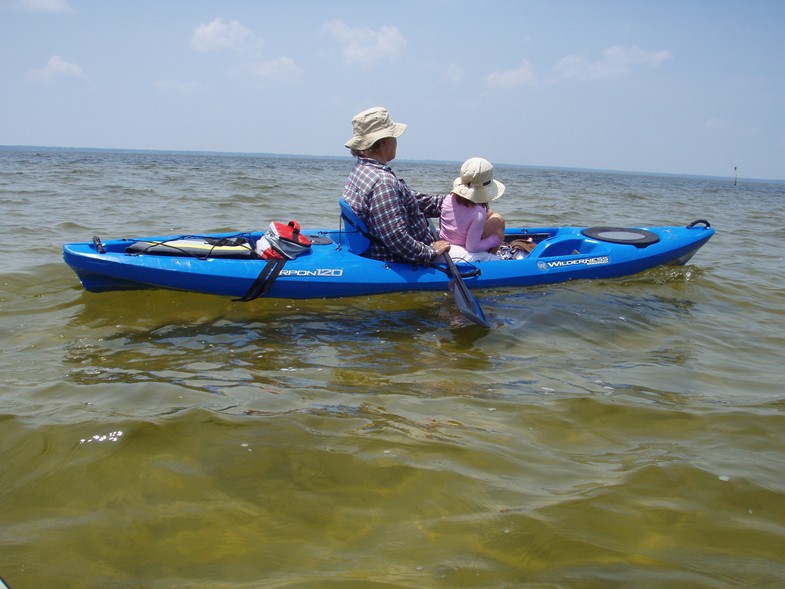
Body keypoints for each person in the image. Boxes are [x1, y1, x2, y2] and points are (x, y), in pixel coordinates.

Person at [343, 106, 451, 264]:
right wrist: (431, 251)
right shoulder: (383, 182)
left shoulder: (363, 169)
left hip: (377, 248)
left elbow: (405, 199)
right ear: (384, 142)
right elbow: (397, 239)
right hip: (396, 257)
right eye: (394, 137)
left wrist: (446, 203)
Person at [439, 157, 507, 262]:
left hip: (445, 243)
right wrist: (494, 240)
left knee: (491, 214)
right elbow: (472, 247)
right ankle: (490, 258)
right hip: (464, 250)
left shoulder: (448, 198)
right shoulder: (478, 213)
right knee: (498, 220)